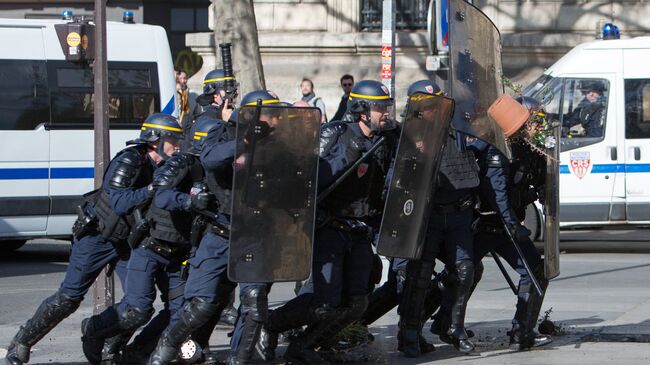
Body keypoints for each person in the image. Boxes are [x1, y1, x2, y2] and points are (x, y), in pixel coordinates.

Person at [4, 113, 182, 365]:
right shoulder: (129, 160)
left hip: (129, 240)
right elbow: (119, 202)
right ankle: (22, 342)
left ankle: (104, 339)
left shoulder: (166, 165)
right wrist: (153, 189)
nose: (178, 145)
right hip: (98, 236)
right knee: (69, 298)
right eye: (173, 138)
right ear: (155, 140)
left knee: (138, 307)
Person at [258, 80, 399, 365]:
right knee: (323, 303)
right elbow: (308, 179)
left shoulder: (384, 140)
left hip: (359, 231)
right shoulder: (335, 135)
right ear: (361, 110)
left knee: (357, 303)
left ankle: (305, 345)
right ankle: (270, 325)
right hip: (329, 229)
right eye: (380, 107)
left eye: (387, 107)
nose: (386, 113)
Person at [80, 116, 219, 365]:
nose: (178, 143)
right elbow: (160, 197)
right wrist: (187, 201)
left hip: (178, 253)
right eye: (173, 138)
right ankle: (94, 329)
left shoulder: (210, 171)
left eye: (180, 138)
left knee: (179, 312)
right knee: (138, 308)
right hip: (147, 248)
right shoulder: (176, 164)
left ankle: (137, 354)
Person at [398, 82, 482, 356]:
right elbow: (394, 180)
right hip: (427, 217)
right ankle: (409, 332)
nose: (434, 109)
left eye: (436, 103)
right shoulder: (407, 137)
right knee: (419, 275)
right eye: (427, 104)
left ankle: (451, 326)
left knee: (466, 269)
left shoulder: (455, 131)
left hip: (457, 214)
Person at [471, 96, 552, 350]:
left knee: (535, 272)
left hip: (508, 227)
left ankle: (523, 331)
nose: (536, 128)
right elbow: (497, 193)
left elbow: (537, 182)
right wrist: (511, 224)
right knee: (460, 274)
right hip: (485, 226)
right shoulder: (498, 148)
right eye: (532, 122)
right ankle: (439, 324)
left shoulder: (528, 150)